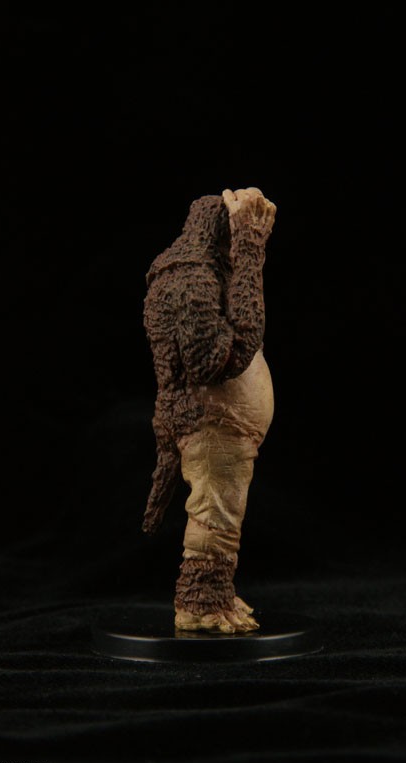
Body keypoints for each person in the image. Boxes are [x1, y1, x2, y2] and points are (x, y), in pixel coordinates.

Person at [143, 187, 276, 632]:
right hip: (208, 422)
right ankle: (198, 602)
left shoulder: (202, 270)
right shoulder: (190, 279)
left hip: (223, 425)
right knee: (213, 512)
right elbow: (218, 362)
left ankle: (215, 593)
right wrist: (250, 251)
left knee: (221, 510)